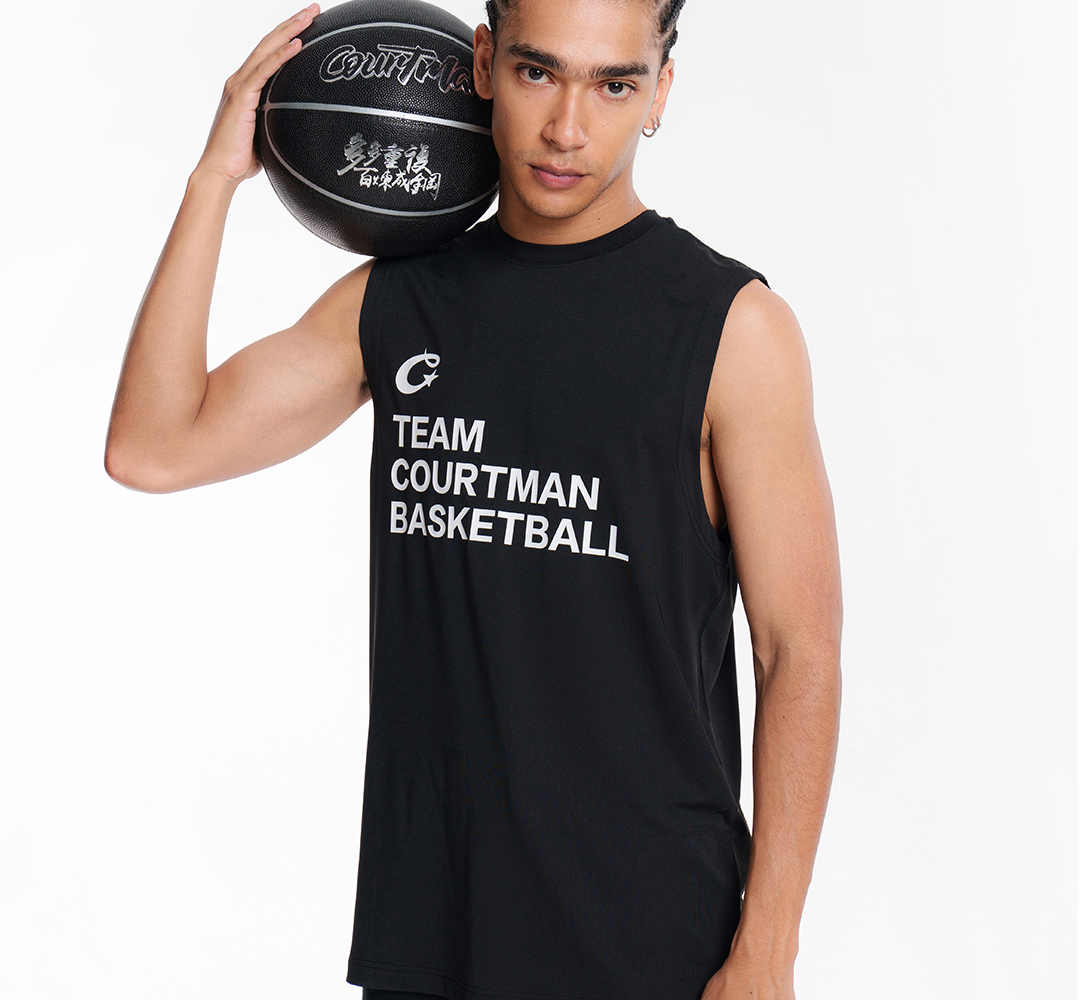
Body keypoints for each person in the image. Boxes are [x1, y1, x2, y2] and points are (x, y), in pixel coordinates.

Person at [105, 1, 842, 998]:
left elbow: (797, 651)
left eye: (613, 84)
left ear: (660, 92)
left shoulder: (732, 328)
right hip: (430, 934)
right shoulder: (401, 300)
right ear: (485, 63)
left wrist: (768, 950)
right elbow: (153, 446)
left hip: (653, 941)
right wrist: (214, 180)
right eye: (539, 72)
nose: (568, 128)